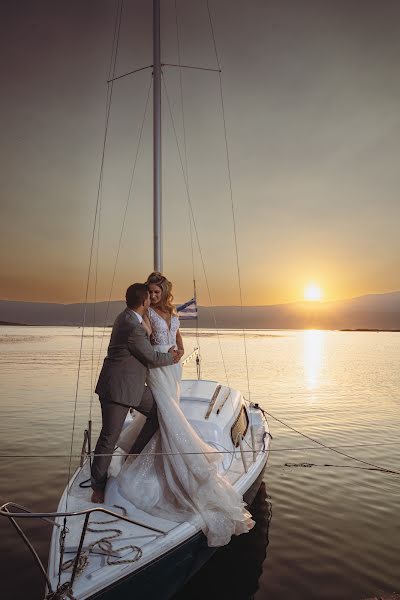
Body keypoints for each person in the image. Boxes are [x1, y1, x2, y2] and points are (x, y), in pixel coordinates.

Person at [116, 272, 254, 547]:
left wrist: (179, 350)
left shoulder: (172, 312)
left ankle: (149, 453)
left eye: (157, 292)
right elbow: (143, 340)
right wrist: (158, 353)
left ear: (165, 292)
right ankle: (161, 461)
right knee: (166, 413)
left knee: (169, 411)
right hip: (157, 368)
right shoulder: (147, 314)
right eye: (150, 293)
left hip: (173, 369)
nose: (153, 297)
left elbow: (178, 338)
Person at [90, 282, 179, 504]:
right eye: (149, 296)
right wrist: (172, 357)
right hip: (117, 389)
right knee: (108, 438)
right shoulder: (132, 326)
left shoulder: (131, 318)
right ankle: (98, 487)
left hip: (136, 387)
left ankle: (133, 455)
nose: (152, 299)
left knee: (160, 413)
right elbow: (151, 357)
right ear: (144, 302)